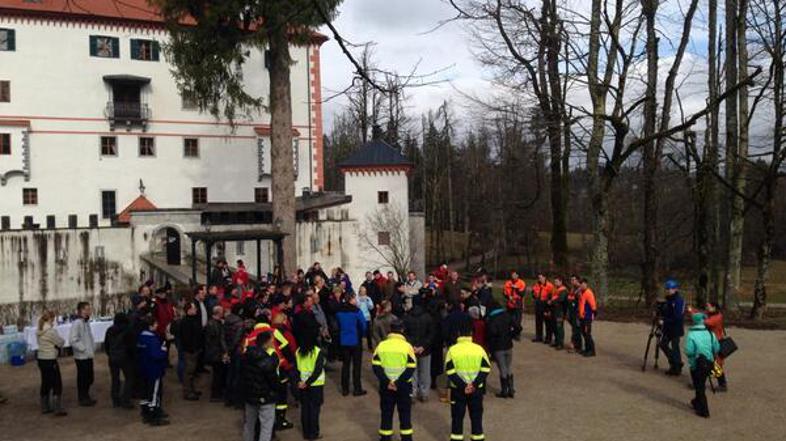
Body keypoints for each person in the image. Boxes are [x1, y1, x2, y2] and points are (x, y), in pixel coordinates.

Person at [445, 317, 491, 441]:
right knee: (476, 419)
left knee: (457, 420)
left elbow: (450, 371)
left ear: (459, 334)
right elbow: (486, 369)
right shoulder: (479, 349)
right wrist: (474, 385)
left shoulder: (452, 350)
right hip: (476, 391)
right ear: (471, 333)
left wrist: (463, 386)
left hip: (458, 391)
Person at [372, 319, 417, 441]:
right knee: (405, 414)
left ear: (390, 330)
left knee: (386, 413)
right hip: (403, 387)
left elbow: (376, 366)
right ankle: (406, 438)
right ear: (402, 330)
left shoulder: (381, 345)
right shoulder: (407, 346)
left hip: (386, 386)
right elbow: (411, 367)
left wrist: (388, 382)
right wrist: (398, 382)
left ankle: (385, 438)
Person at [241, 330, 280, 441]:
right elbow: (274, 381)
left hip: (249, 396)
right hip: (266, 397)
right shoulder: (268, 361)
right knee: (266, 427)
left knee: (249, 424)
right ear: (267, 342)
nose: (273, 342)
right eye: (272, 340)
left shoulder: (246, 357)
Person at [684, 312, 720, 418]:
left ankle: (703, 410)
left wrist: (693, 355)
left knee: (699, 386)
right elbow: (716, 348)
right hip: (709, 362)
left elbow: (689, 351)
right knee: (700, 383)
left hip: (696, 364)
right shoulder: (710, 333)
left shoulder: (691, 334)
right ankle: (696, 401)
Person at [137, 315, 170, 426]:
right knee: (154, 393)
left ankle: (145, 412)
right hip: (154, 370)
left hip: (143, 369)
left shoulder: (140, 337)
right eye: (155, 323)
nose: (157, 325)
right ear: (150, 326)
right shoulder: (153, 339)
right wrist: (164, 350)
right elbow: (157, 355)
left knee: (145, 392)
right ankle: (154, 416)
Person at [296, 331, 326, 440]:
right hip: (315, 385)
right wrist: (308, 383)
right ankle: (314, 433)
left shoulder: (298, 352)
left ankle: (306, 433)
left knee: (305, 409)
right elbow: (317, 370)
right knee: (314, 410)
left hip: (302, 384)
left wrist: (300, 382)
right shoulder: (317, 352)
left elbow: (296, 369)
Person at [36, 310, 67, 416]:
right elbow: (60, 342)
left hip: (41, 358)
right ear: (50, 319)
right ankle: (57, 408)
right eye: (53, 319)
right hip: (50, 359)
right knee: (57, 383)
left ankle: (44, 407)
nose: (54, 321)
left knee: (45, 382)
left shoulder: (39, 330)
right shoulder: (51, 331)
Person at [336, 294, 368, 396]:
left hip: (344, 340)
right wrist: (362, 334)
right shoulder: (357, 311)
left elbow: (337, 325)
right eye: (354, 298)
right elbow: (363, 325)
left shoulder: (339, 312)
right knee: (356, 366)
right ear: (351, 300)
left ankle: (345, 389)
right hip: (355, 340)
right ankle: (357, 388)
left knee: (345, 365)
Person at [403, 300, 435, 402]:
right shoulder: (428, 317)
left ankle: (412, 392)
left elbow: (405, 334)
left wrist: (412, 346)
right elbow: (431, 334)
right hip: (425, 350)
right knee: (425, 373)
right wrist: (423, 346)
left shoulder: (407, 317)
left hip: (411, 349)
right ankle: (424, 393)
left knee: (412, 372)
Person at [104, 312, 135, 409]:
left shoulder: (109, 330)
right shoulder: (128, 330)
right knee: (129, 378)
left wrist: (110, 354)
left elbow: (106, 345)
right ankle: (126, 400)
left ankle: (115, 400)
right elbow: (131, 346)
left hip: (113, 358)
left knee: (115, 379)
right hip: (125, 358)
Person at [485, 300, 515, 398]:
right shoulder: (507, 315)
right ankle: (511, 389)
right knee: (508, 367)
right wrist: (511, 335)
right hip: (508, 345)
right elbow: (518, 327)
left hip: (498, 347)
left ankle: (504, 391)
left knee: (502, 369)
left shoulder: (492, 320)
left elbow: (491, 334)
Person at [69, 301, 97, 406]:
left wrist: (91, 347)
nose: (89, 311)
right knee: (83, 377)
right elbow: (73, 339)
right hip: (81, 356)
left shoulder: (86, 322)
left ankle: (86, 396)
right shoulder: (77, 323)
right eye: (87, 309)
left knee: (90, 377)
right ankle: (83, 397)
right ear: (81, 310)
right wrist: (83, 348)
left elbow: (89, 337)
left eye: (90, 309)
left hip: (88, 355)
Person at [180, 301, 204, 400]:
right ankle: (187, 392)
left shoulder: (194, 320)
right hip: (190, 350)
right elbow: (186, 337)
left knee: (192, 371)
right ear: (189, 310)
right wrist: (191, 348)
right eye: (194, 308)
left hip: (195, 349)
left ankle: (192, 389)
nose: (196, 310)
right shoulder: (185, 322)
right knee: (188, 371)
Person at [205, 305, 229, 402]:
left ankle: (216, 394)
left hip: (213, 352)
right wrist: (225, 352)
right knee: (217, 375)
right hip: (216, 352)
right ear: (218, 313)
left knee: (217, 374)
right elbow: (220, 340)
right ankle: (215, 395)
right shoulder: (215, 325)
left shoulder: (211, 323)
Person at [662, 279, 686, 376]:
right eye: (667, 288)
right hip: (667, 327)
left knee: (675, 346)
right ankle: (676, 363)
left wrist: (665, 320)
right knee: (663, 344)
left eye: (671, 288)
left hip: (675, 327)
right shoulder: (668, 299)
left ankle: (676, 366)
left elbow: (677, 316)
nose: (668, 290)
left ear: (675, 289)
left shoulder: (678, 300)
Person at [702, 302, 727, 391]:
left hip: (715, 342)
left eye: (708, 307)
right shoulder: (714, 315)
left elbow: (706, 322)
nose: (707, 308)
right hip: (712, 342)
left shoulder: (716, 317)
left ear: (714, 307)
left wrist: (697, 316)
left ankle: (722, 384)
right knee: (707, 363)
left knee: (715, 364)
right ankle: (701, 382)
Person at [503, 271, 526, 341]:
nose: (513, 276)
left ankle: (517, 334)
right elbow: (504, 292)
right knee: (509, 319)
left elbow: (522, 294)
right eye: (512, 275)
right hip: (509, 302)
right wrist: (508, 297)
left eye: (515, 275)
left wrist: (516, 288)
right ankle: (509, 333)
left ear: (517, 275)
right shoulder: (507, 283)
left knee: (517, 320)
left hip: (518, 302)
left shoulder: (521, 283)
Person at [531, 273, 554, 344]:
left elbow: (551, 296)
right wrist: (534, 295)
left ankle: (548, 338)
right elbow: (533, 292)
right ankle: (539, 337)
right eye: (538, 278)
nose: (539, 279)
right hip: (538, 303)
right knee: (538, 321)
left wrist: (549, 307)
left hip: (545, 304)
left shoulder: (550, 286)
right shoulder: (536, 285)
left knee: (547, 322)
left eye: (541, 278)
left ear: (545, 277)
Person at [577, 278, 597, 357]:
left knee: (587, 333)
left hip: (587, 317)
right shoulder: (581, 292)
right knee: (584, 333)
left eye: (583, 284)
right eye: (580, 284)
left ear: (586, 284)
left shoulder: (588, 293)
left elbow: (593, 306)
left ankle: (591, 351)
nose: (581, 285)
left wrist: (592, 315)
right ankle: (587, 349)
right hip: (582, 316)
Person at [550, 276, 568, 350]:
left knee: (559, 328)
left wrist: (552, 301)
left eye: (557, 281)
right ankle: (557, 341)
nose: (555, 283)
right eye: (555, 282)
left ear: (561, 282)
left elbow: (561, 299)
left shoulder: (563, 290)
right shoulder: (555, 289)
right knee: (554, 327)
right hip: (554, 311)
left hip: (560, 312)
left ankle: (560, 343)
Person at [567, 275, 583, 353]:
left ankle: (577, 346)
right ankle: (575, 344)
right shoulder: (572, 289)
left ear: (577, 280)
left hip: (577, 313)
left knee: (577, 329)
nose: (572, 281)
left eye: (573, 280)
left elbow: (581, 302)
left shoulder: (580, 290)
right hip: (571, 312)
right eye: (571, 280)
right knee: (574, 329)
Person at [357, 285, 376, 351]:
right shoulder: (357, 298)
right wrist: (360, 301)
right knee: (360, 332)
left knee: (368, 333)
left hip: (367, 317)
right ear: (360, 291)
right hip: (359, 317)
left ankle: (370, 347)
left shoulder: (368, 298)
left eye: (364, 291)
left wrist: (367, 301)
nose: (363, 292)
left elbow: (371, 307)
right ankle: (360, 347)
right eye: (362, 291)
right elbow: (357, 306)